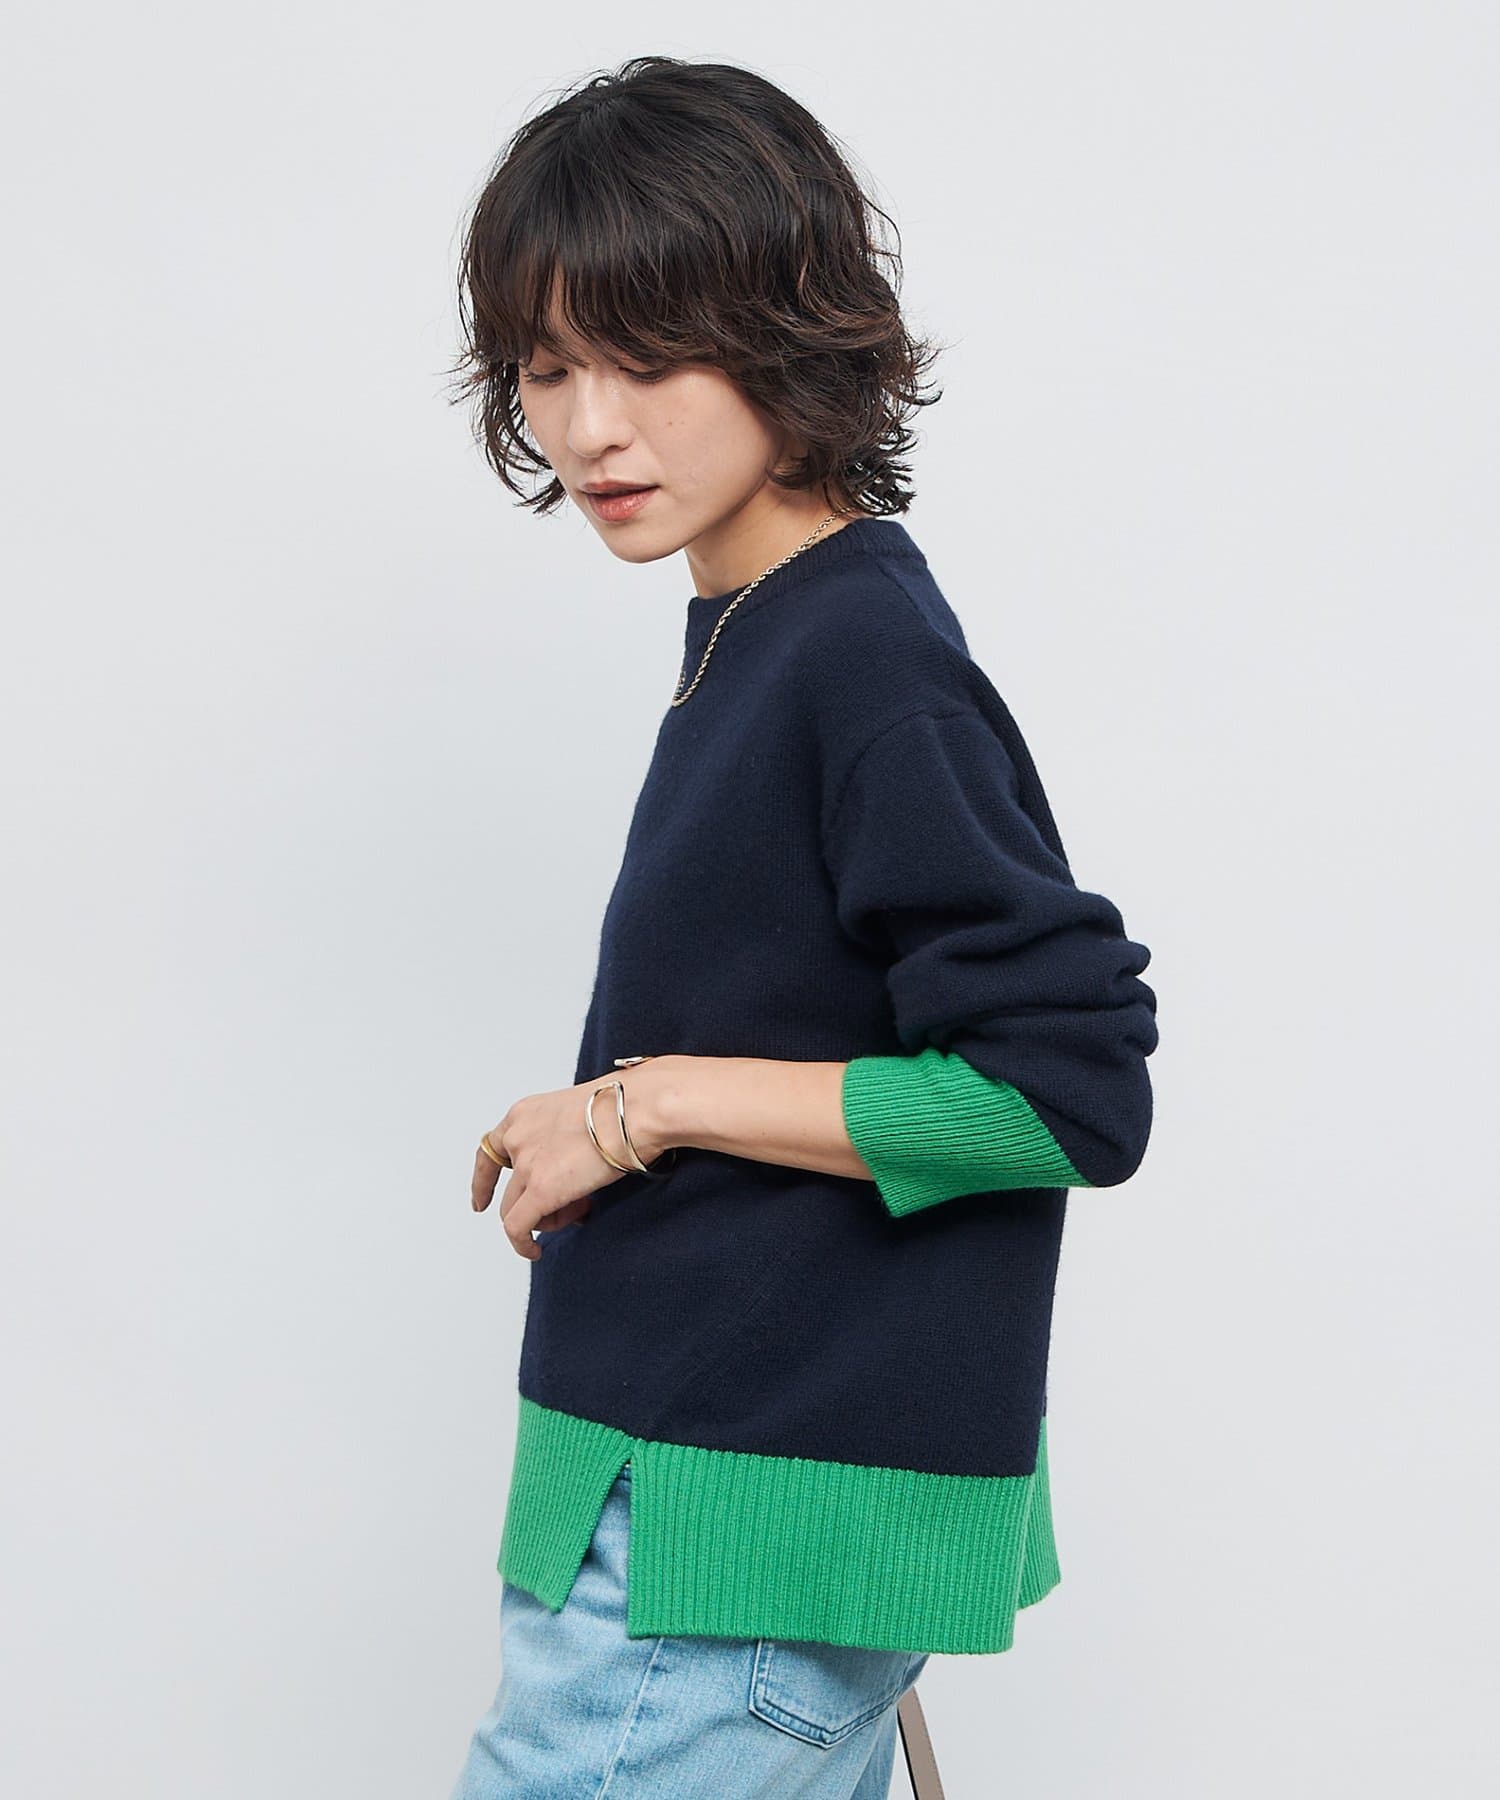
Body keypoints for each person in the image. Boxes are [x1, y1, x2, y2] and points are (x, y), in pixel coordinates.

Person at [445, 54, 1159, 1800]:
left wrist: (644, 1106)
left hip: (715, 1580)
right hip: (700, 1524)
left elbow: (1067, 1091)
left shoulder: (859, 660)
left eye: (649, 357)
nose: (590, 429)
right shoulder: (764, 632)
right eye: (548, 366)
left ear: (785, 338)